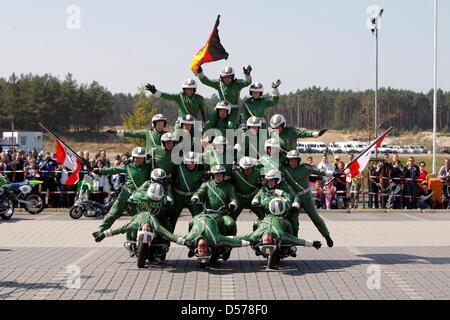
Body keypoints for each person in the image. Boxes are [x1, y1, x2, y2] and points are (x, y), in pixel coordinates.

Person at [92, 147, 152, 240]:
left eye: (140, 157)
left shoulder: (149, 167)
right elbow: (114, 170)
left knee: (138, 219)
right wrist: (100, 171)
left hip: (140, 196)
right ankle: (100, 231)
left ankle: (134, 242)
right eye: (135, 157)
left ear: (144, 158)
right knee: (113, 212)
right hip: (126, 193)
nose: (137, 159)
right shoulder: (128, 166)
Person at [282, 150, 334, 246]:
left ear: (298, 160)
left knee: (315, 218)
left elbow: (319, 171)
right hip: (293, 197)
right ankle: (293, 243)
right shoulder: (285, 169)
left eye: (295, 160)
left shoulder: (305, 167)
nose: (293, 162)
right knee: (293, 220)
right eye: (291, 160)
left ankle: (327, 236)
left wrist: (333, 173)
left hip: (306, 196)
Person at [191, 165, 239, 237]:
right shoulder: (207, 184)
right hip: (207, 213)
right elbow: (199, 192)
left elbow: (234, 197)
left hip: (222, 214)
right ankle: (193, 240)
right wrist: (196, 197)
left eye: (220, 175)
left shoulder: (229, 186)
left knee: (231, 224)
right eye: (216, 175)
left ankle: (230, 241)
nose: (218, 177)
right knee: (192, 222)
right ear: (213, 176)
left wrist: (233, 203)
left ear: (223, 176)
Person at [251, 169, 299, 235]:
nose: (269, 183)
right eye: (268, 181)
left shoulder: (286, 186)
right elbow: (259, 195)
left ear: (277, 180)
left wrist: (295, 205)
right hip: (267, 212)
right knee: (256, 223)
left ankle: (294, 240)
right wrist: (255, 202)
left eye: (271, 180)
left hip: (285, 213)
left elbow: (293, 197)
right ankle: (256, 238)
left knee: (294, 224)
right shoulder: (265, 187)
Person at [172, 152, 207, 224]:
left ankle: (196, 234)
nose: (191, 164)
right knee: (172, 217)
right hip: (179, 196)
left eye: (193, 162)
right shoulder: (179, 167)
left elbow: (206, 181)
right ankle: (168, 234)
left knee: (198, 218)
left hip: (192, 196)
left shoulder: (200, 170)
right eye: (188, 162)